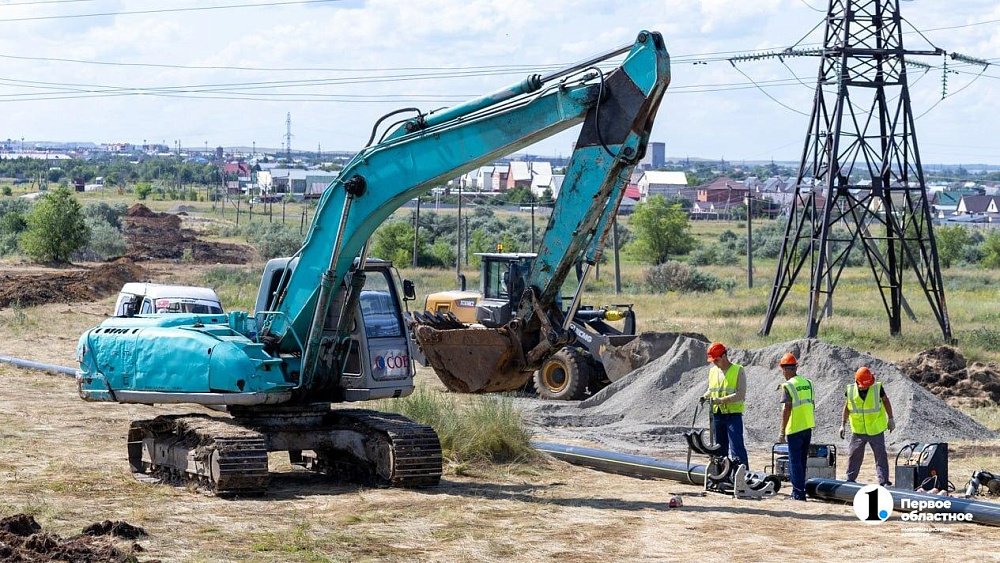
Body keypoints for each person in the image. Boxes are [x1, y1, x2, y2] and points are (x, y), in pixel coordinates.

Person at [841, 366, 895, 487]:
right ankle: (850, 479)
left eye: (868, 384)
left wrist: (891, 418)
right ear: (857, 381)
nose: (866, 386)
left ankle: (884, 481)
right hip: (858, 430)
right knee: (854, 454)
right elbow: (846, 407)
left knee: (880, 455)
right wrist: (842, 424)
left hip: (875, 429)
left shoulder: (877, 388)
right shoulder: (850, 390)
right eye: (864, 385)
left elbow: (886, 401)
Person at [701, 342, 750, 469]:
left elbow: (740, 394)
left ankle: (742, 476)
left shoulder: (738, 370)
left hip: (733, 415)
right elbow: (711, 389)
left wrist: (721, 400)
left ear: (724, 356)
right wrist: (705, 396)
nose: (714, 363)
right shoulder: (713, 371)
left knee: (737, 447)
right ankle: (722, 475)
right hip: (718, 415)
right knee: (720, 448)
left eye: (716, 360)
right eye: (712, 361)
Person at [778, 353, 815, 501]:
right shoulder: (807, 382)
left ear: (787, 370)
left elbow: (787, 409)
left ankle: (798, 493)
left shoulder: (789, 385)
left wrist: (782, 431)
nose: (783, 373)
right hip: (807, 426)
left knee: (795, 462)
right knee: (802, 461)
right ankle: (801, 490)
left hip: (795, 428)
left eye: (783, 370)